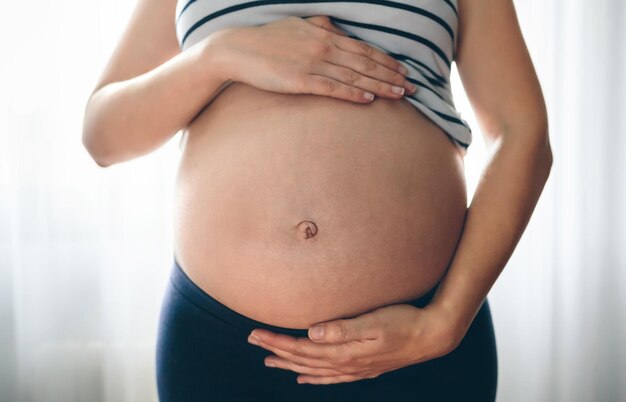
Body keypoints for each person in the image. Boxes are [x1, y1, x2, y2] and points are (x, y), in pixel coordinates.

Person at [82, 0, 553, 400]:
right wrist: (218, 56)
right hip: (220, 340)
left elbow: (521, 133)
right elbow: (103, 134)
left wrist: (445, 322)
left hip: (415, 338)